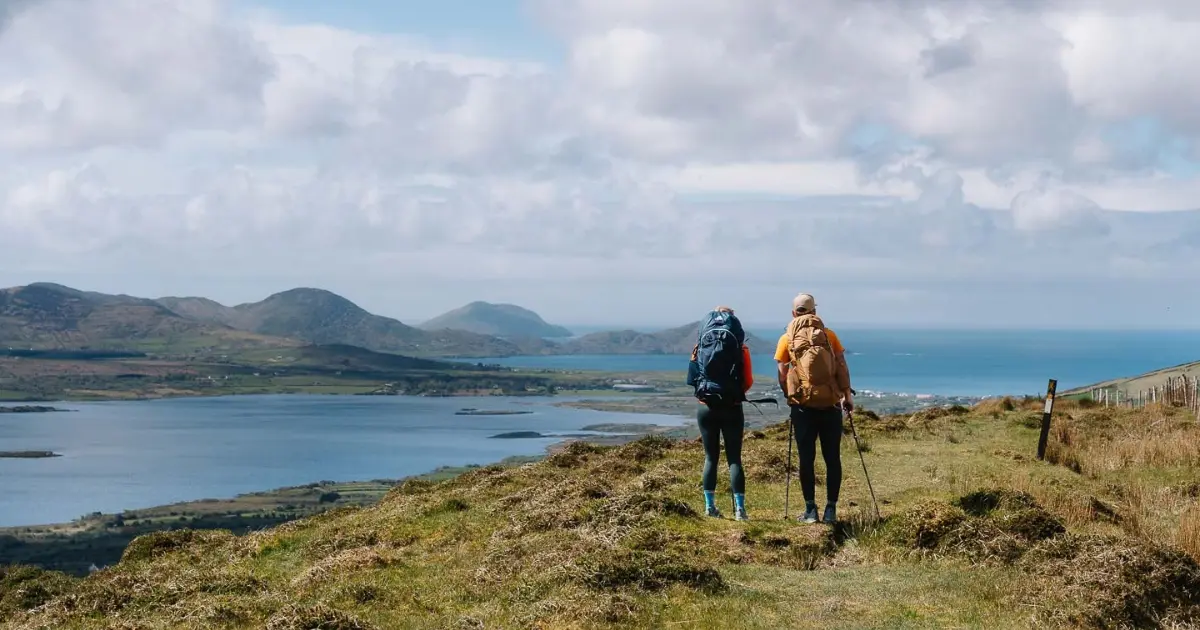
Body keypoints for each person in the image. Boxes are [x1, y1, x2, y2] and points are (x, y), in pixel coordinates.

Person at [775, 293, 853, 524]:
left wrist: (791, 396)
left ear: (793, 313)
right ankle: (831, 509)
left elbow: (782, 373)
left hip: (803, 408)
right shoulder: (829, 336)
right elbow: (841, 366)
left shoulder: (786, 339)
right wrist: (847, 396)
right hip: (830, 405)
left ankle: (810, 510)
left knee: (806, 459)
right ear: (814, 312)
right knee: (832, 458)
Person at [688, 306, 754, 521]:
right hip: (732, 405)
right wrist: (733, 393)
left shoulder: (698, 347)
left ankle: (710, 507)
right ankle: (740, 511)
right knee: (734, 458)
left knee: (711, 458)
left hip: (705, 406)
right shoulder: (740, 348)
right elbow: (748, 381)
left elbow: (691, 379)